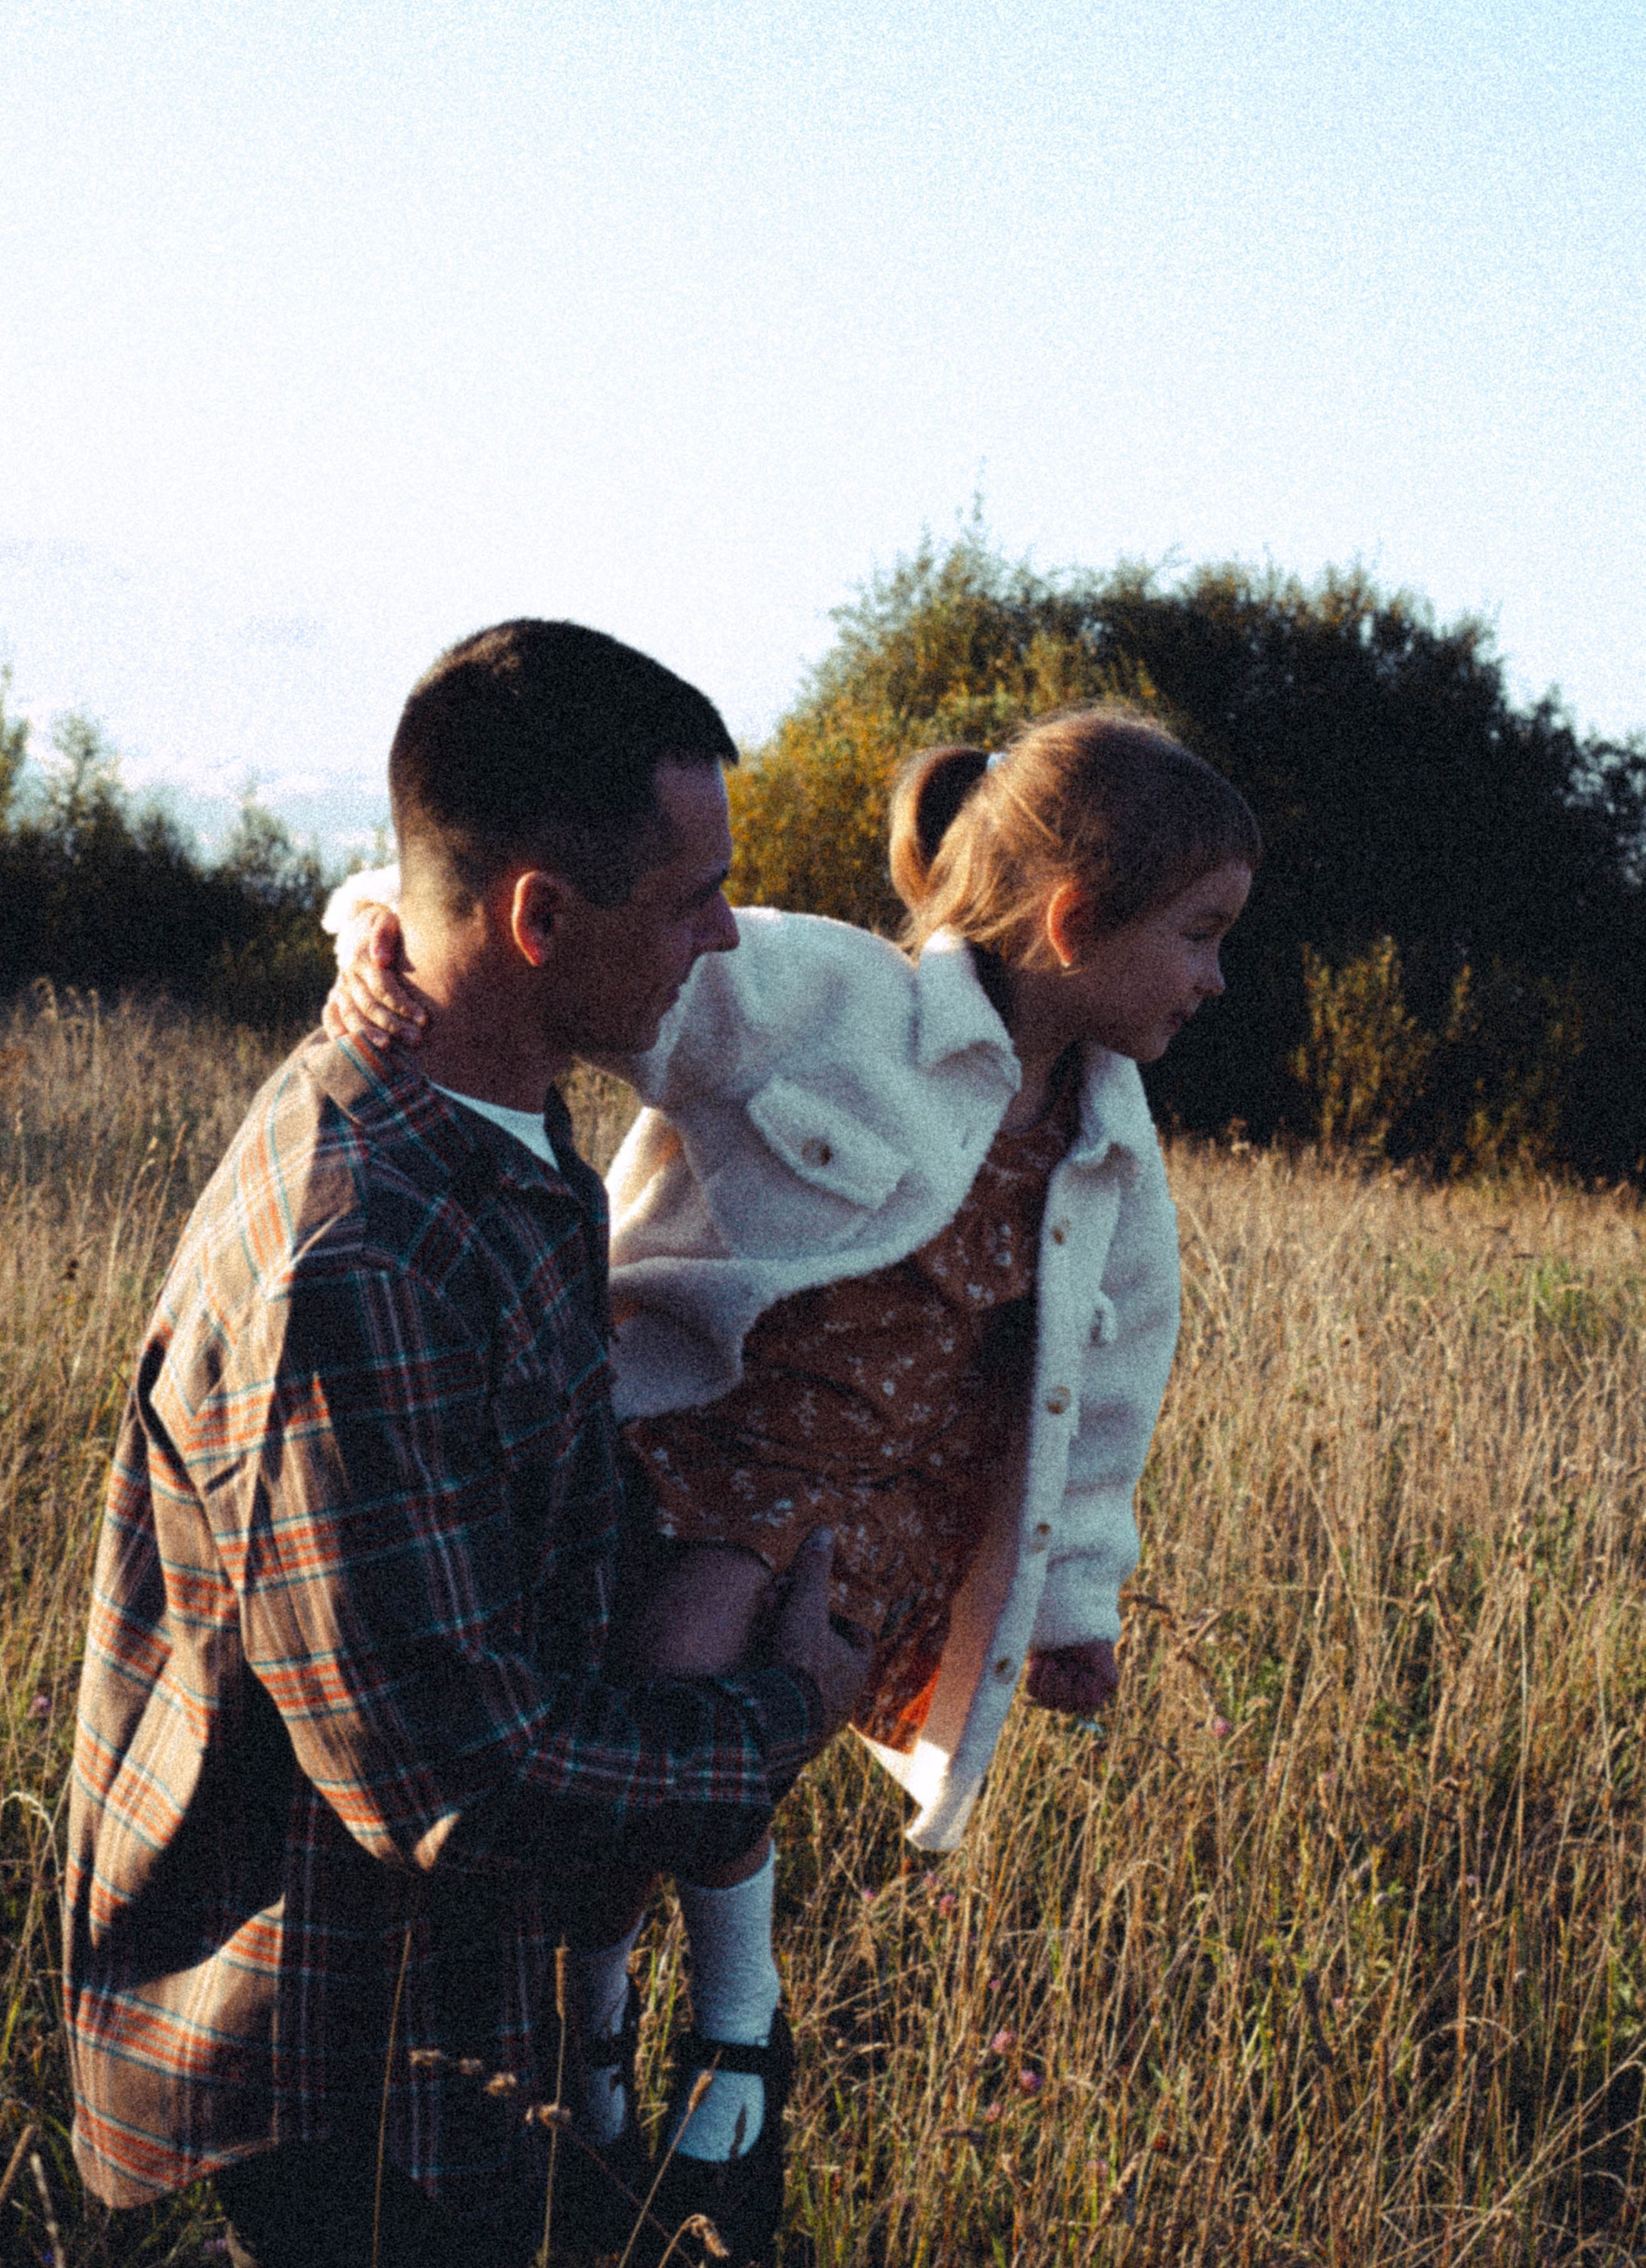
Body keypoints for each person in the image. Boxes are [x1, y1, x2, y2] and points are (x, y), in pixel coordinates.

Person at [327, 699, 1262, 2258]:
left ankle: (736, 2019)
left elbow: (1108, 1385)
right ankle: (611, 2012)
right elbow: (540, 930)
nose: (1215, 979)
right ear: (1076, 920)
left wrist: (1076, 1601)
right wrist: (382, 938)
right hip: (713, 1441)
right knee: (671, 1694)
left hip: (886, 1504)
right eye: (1199, 936)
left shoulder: (1108, 1144)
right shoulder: (840, 1002)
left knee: (702, 1710)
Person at [63, 620, 867, 2268]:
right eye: (691, 898)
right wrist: (783, 1712)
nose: (725, 937)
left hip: (452, 2021)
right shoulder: (356, 1252)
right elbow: (447, 1773)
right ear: (538, 918)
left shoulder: (487, 1113)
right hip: (339, 2063)